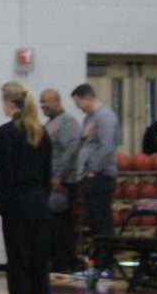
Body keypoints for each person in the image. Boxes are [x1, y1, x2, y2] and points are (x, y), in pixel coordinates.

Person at [0, 82, 53, 294]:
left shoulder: (7, 132)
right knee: (39, 267)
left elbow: (4, 176)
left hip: (17, 208)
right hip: (40, 207)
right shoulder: (42, 133)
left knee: (18, 267)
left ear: (9, 103)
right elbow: (48, 176)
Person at [71, 83, 120, 273]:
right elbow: (84, 144)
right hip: (89, 177)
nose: (78, 107)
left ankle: (105, 264)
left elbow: (108, 147)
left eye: (78, 103)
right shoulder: (89, 119)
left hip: (100, 176)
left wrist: (94, 169)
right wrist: (83, 137)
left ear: (86, 98)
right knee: (94, 222)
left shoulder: (105, 117)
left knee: (102, 221)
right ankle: (99, 262)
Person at [40, 88, 81, 273]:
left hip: (62, 184)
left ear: (56, 101)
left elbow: (71, 150)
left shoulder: (67, 123)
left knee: (61, 225)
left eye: (46, 102)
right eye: (41, 102)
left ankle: (66, 262)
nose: (43, 106)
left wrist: (59, 177)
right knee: (51, 225)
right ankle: (55, 260)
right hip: (51, 182)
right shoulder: (51, 123)